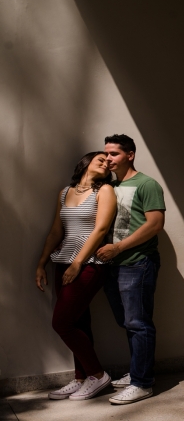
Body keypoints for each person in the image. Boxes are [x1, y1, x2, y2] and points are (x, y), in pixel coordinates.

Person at [36, 151, 116, 400]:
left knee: (62, 323)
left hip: (89, 262)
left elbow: (101, 228)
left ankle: (98, 375)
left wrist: (78, 263)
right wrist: (41, 264)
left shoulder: (104, 191)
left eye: (108, 162)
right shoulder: (64, 192)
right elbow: (55, 232)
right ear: (85, 164)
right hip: (63, 261)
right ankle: (82, 378)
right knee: (78, 322)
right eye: (100, 159)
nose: (106, 162)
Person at [96, 134, 165, 405]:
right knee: (127, 322)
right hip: (113, 265)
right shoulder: (110, 186)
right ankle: (139, 371)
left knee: (139, 324)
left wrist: (119, 247)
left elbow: (155, 224)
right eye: (106, 153)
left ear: (130, 155)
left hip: (138, 262)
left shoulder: (147, 184)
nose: (108, 158)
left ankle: (142, 383)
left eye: (113, 154)